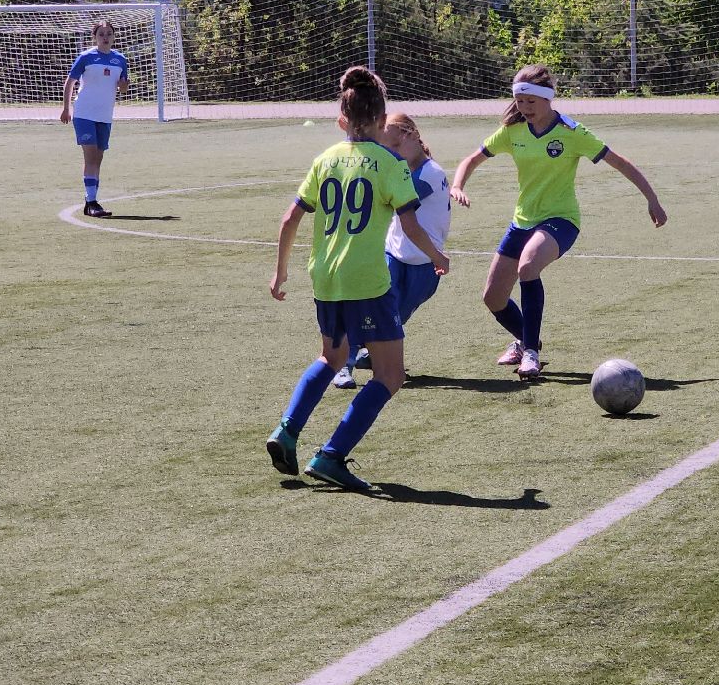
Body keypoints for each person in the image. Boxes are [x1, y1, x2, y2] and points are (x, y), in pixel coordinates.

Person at [266, 67, 450, 494]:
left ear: (342, 120)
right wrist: (437, 255)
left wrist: (280, 271)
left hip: (325, 277)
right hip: (367, 280)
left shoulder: (325, 159)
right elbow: (410, 226)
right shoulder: (390, 164)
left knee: (331, 358)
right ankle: (331, 456)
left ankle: (286, 431)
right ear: (382, 121)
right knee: (390, 375)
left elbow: (290, 218)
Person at [450, 65, 667, 379]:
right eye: (519, 102)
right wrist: (458, 185)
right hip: (522, 221)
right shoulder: (512, 131)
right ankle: (526, 340)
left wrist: (652, 198)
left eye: (530, 102)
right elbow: (471, 159)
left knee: (528, 265)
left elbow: (619, 162)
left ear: (547, 98)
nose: (524, 108)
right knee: (493, 298)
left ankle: (531, 354)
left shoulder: (571, 132)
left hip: (561, 220)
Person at [334, 112, 450, 389]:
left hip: (425, 264)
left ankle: (369, 354)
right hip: (393, 256)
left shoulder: (431, 173)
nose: (393, 154)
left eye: (396, 147)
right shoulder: (403, 170)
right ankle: (344, 365)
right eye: (388, 149)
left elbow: (391, 200)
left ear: (413, 136)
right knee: (369, 310)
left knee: (394, 317)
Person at [60, 19, 129, 218]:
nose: (105, 37)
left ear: (114, 36)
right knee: (90, 157)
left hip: (104, 116)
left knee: (97, 160)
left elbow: (122, 87)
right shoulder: (86, 57)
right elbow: (70, 82)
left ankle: (90, 201)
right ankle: (91, 203)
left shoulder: (120, 59)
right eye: (101, 34)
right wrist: (66, 108)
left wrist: (124, 86)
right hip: (84, 114)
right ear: (95, 37)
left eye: (109, 34)